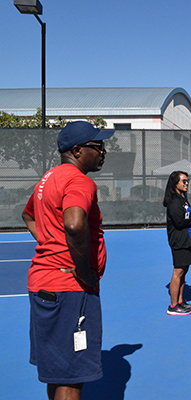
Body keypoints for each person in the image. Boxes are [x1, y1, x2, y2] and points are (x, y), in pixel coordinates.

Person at [21, 121, 114, 400]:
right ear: (76, 150)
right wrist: (85, 272)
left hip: (42, 283)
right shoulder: (80, 181)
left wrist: (50, 243)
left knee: (58, 372)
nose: (103, 152)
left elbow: (28, 215)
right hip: (70, 288)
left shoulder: (47, 179)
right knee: (72, 378)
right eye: (97, 146)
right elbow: (74, 224)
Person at [163, 171, 191, 316]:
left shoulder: (182, 199)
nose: (186, 183)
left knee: (184, 271)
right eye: (183, 181)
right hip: (179, 240)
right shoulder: (174, 201)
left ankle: (180, 302)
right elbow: (179, 223)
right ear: (175, 183)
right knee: (178, 272)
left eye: (187, 181)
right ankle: (173, 306)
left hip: (187, 238)